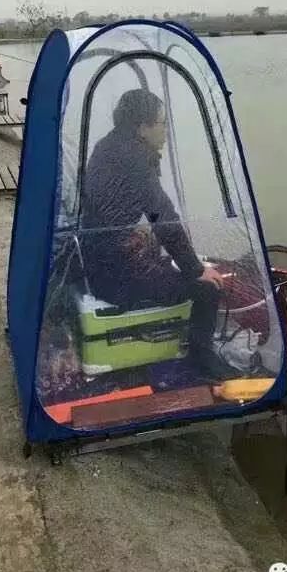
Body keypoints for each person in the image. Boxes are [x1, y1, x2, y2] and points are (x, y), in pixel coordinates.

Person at [82, 88, 225, 376]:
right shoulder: (137, 160)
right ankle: (202, 358)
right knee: (207, 290)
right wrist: (196, 269)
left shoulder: (107, 146)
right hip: (116, 280)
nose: (166, 131)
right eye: (163, 124)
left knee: (162, 253)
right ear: (142, 127)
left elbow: (146, 213)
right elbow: (164, 219)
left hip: (96, 263)